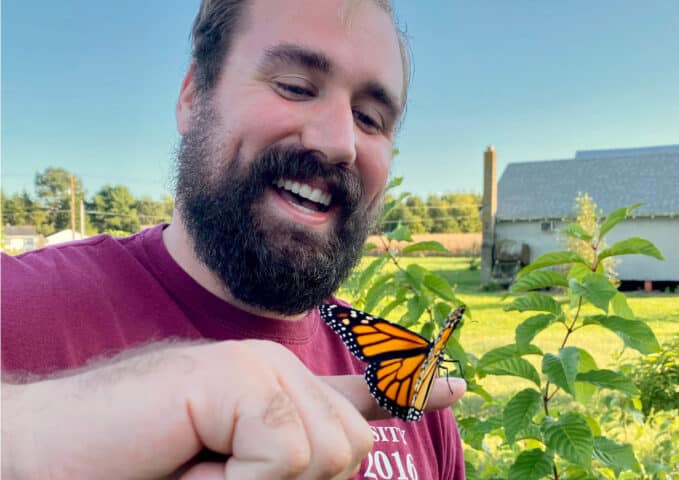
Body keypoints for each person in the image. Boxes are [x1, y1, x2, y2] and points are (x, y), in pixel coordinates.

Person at [1, 0, 467, 478]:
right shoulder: (12, 299)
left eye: (369, 118)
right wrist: (22, 443)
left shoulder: (413, 393)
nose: (339, 142)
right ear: (191, 97)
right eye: (295, 87)